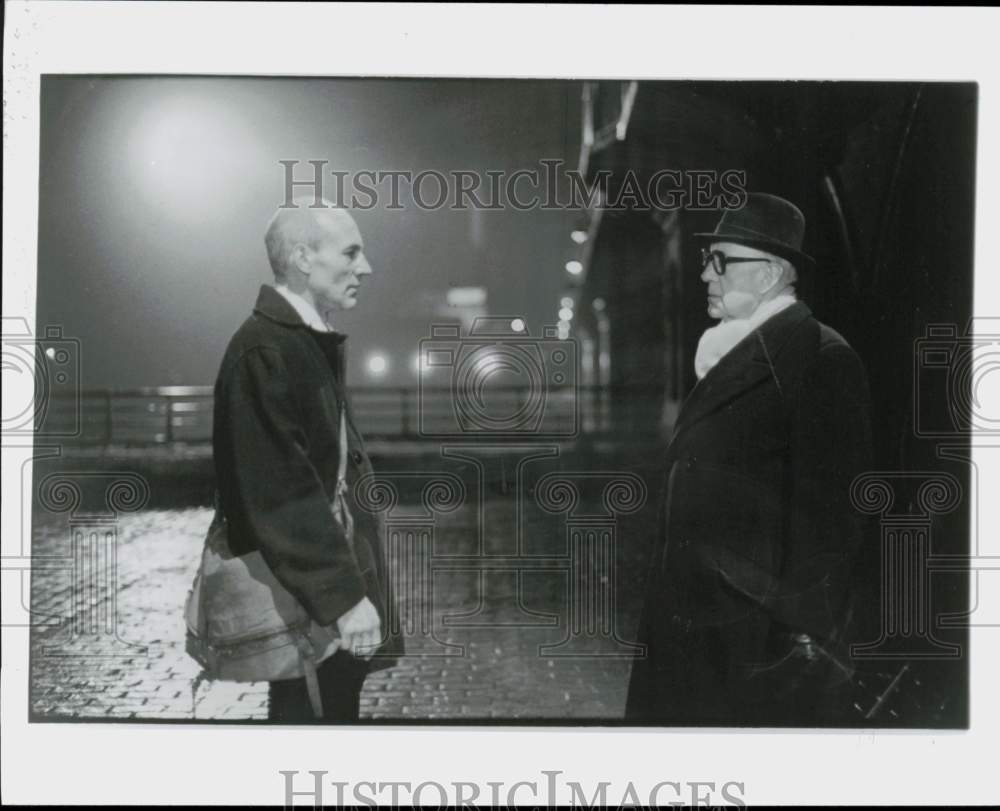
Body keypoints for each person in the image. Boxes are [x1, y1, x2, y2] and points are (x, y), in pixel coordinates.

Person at [625, 192, 873, 726]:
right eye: (705, 261)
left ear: (767, 275)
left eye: (720, 261)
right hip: (694, 613)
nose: (705, 276)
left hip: (753, 635)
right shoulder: (726, 350)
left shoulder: (820, 358)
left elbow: (832, 521)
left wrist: (806, 637)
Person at [212, 199, 402, 723]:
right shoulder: (267, 350)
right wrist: (344, 599)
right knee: (313, 732)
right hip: (309, 602)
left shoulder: (296, 342)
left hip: (310, 596)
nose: (364, 268)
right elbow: (281, 493)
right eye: (350, 252)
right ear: (301, 257)